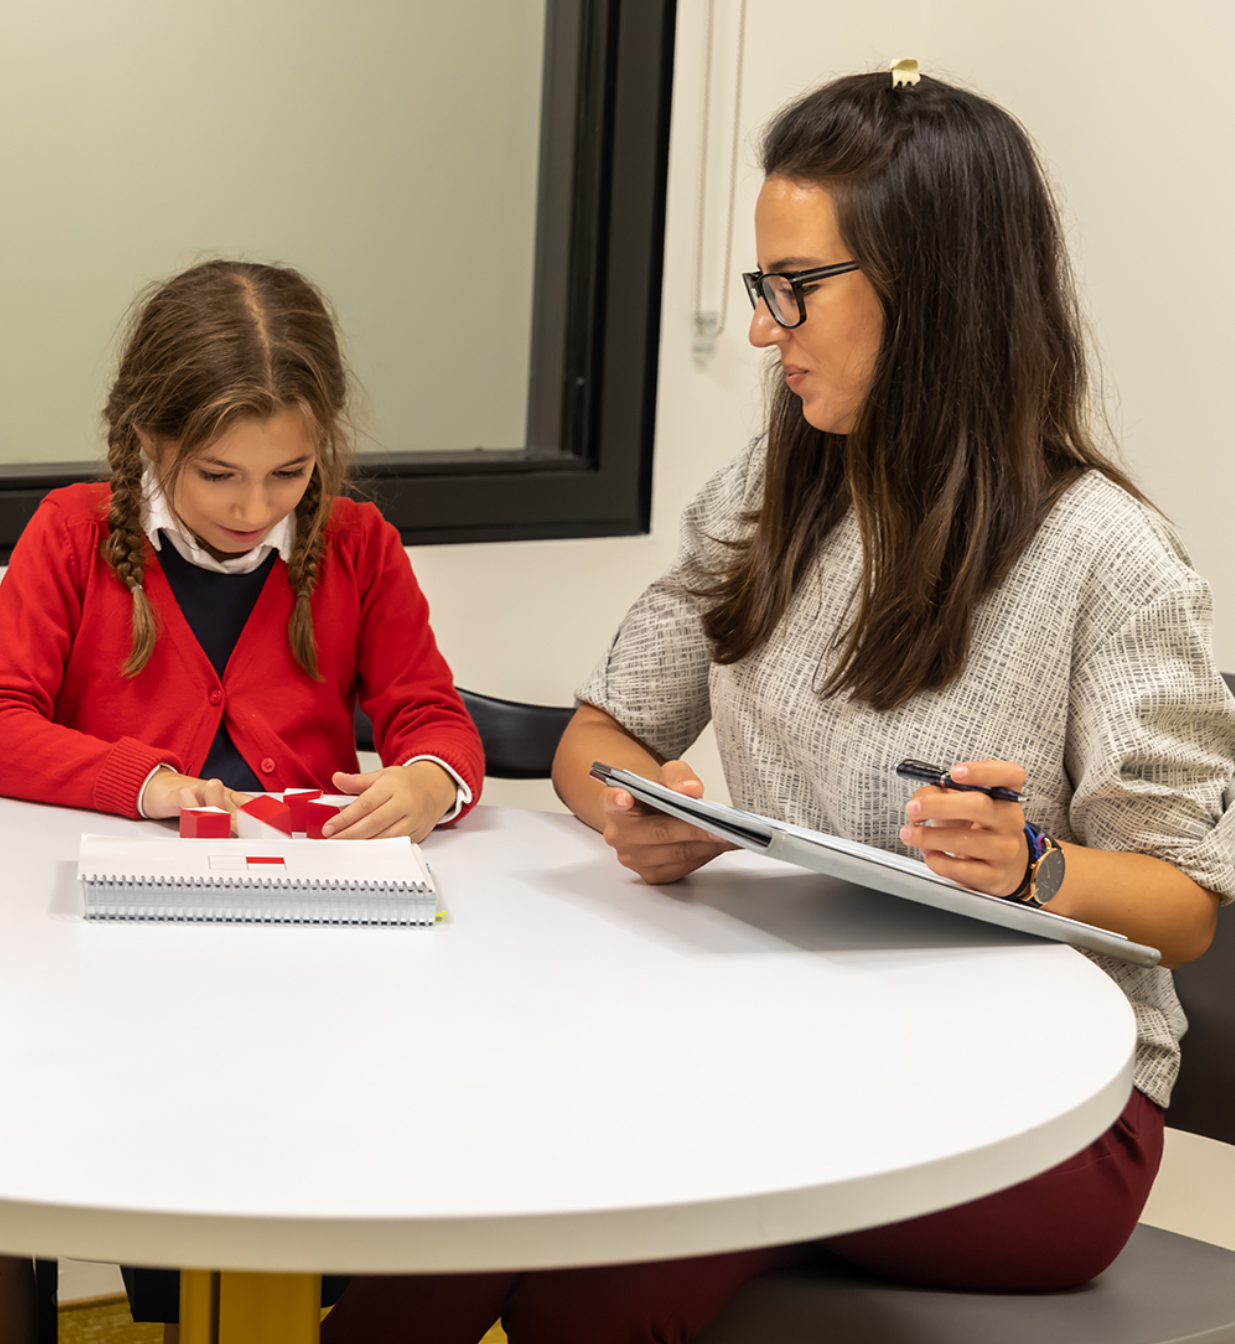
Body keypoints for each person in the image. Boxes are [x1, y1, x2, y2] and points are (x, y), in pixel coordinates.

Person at [321, 69, 1235, 1344]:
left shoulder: (1112, 559)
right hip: (793, 1041)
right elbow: (601, 739)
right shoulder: (779, 488)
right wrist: (634, 813)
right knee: (500, 1186)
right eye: (765, 289)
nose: (765, 331)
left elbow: (1184, 905)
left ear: (930, 287)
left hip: (1039, 1118)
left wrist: (1032, 869)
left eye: (793, 289)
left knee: (611, 1228)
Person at [0, 259, 483, 838]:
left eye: (288, 471)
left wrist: (430, 781)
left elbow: (431, 717)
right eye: (217, 475)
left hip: (306, 877)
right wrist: (150, 784)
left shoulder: (360, 546)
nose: (253, 511)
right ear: (150, 435)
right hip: (122, 866)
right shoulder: (72, 534)